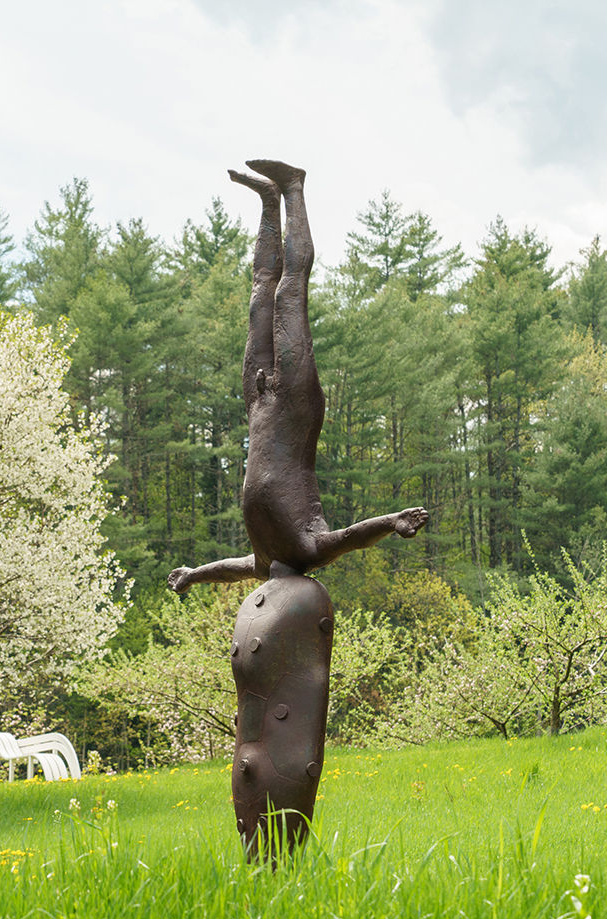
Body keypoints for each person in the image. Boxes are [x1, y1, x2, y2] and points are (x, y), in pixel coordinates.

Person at [168, 160, 427, 594]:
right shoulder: (308, 550)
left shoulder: (265, 561)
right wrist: (391, 522)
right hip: (292, 407)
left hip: (260, 402)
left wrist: (195, 573)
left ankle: (270, 201)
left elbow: (231, 568)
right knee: (289, 291)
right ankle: (293, 188)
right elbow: (350, 538)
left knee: (260, 294)